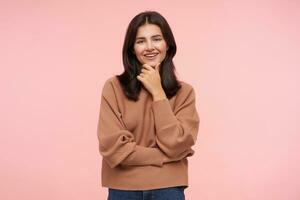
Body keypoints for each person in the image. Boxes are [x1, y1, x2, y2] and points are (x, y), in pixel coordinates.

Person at [97, 10, 200, 200]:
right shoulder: (113, 88)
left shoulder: (185, 92)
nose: (150, 47)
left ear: (167, 44)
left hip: (169, 189)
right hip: (122, 190)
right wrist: (166, 157)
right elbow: (112, 148)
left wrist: (158, 92)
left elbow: (177, 144)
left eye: (156, 39)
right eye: (141, 41)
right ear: (132, 49)